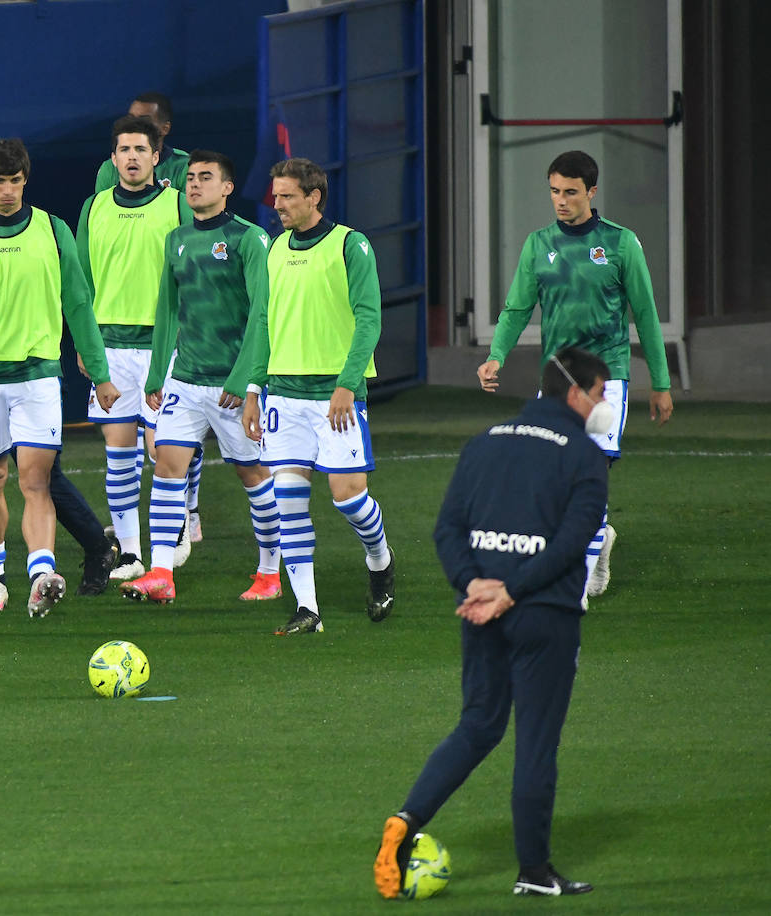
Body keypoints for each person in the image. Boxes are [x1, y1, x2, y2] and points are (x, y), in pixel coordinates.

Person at [374, 347, 610, 900]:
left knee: (478, 726)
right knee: (534, 743)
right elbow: (573, 543)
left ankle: (406, 823)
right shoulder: (583, 455)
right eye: (600, 394)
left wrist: (474, 585)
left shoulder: (485, 442)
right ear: (575, 394)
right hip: (543, 615)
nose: (603, 405)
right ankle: (533, 871)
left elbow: (448, 529)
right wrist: (514, 590)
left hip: (477, 609)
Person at [0, 139, 120, 616]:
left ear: (25, 180)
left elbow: (78, 303)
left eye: (15, 181)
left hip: (38, 377)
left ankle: (40, 571)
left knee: (36, 478)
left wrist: (99, 373)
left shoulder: (54, 232)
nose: (8, 191)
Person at [477, 150, 673, 601]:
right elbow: (516, 308)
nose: (560, 200)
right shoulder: (537, 244)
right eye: (553, 191)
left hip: (608, 376)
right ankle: (598, 543)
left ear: (591, 192)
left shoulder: (621, 244)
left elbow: (645, 314)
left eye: (569, 192)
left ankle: (576, 586)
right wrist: (496, 355)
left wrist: (659, 383)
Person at [238, 157, 396, 635]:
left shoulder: (351, 245)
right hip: (282, 397)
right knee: (287, 499)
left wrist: (348, 383)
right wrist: (252, 388)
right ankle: (308, 607)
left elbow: (369, 319)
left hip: (335, 396)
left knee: (348, 499)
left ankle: (380, 560)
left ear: (314, 197)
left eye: (287, 196)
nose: (278, 204)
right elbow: (264, 322)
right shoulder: (275, 249)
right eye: (276, 195)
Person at [120, 151, 283, 604]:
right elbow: (167, 310)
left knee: (254, 476)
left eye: (206, 178)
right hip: (185, 381)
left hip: (233, 386)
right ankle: (161, 574)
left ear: (227, 187)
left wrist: (245, 379)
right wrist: (157, 373)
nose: (194, 185)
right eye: (190, 178)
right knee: (167, 468)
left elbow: (262, 316)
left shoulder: (249, 239)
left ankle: (269, 572)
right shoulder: (177, 238)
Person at [76, 115, 194, 583]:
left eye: (140, 150)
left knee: (162, 452)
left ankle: (175, 531)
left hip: (164, 347)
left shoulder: (177, 205)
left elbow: (194, 274)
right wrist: (85, 344)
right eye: (123, 150)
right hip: (110, 347)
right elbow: (79, 283)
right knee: (118, 453)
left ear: (156, 156)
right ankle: (130, 553)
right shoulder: (94, 207)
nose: (131, 157)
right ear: (113, 158)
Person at [93, 91, 190, 193]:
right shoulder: (110, 168)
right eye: (130, 118)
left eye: (144, 120)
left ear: (165, 128)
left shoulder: (185, 166)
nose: (134, 125)